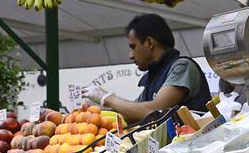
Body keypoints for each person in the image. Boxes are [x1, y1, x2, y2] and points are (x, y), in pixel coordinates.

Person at [82, 14, 211, 123]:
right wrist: (97, 112)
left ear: (149, 43)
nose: (130, 55)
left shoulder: (182, 67)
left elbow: (154, 111)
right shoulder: (154, 76)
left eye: (133, 47)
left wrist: (106, 98)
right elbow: (134, 112)